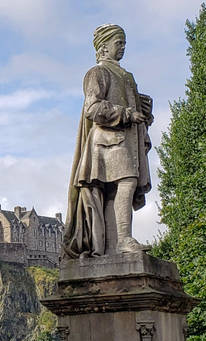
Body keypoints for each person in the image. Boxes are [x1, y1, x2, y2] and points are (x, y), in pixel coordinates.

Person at [62, 24, 153, 258]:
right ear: (103, 46)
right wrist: (125, 114)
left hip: (127, 140)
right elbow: (91, 108)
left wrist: (144, 112)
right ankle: (123, 239)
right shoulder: (97, 73)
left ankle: (114, 246)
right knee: (127, 182)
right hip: (108, 141)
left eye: (124, 43)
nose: (122, 47)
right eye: (118, 43)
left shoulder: (127, 77)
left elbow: (135, 112)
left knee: (118, 191)